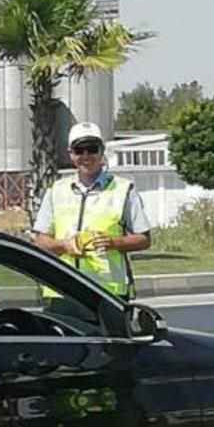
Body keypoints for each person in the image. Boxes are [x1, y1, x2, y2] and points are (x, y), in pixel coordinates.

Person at [33, 121, 151, 305]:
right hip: (62, 291)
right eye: (80, 150)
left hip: (107, 293)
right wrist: (64, 246)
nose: (86, 156)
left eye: (92, 148)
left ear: (102, 152)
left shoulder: (123, 189)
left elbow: (144, 239)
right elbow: (40, 241)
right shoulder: (56, 191)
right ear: (71, 154)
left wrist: (113, 242)